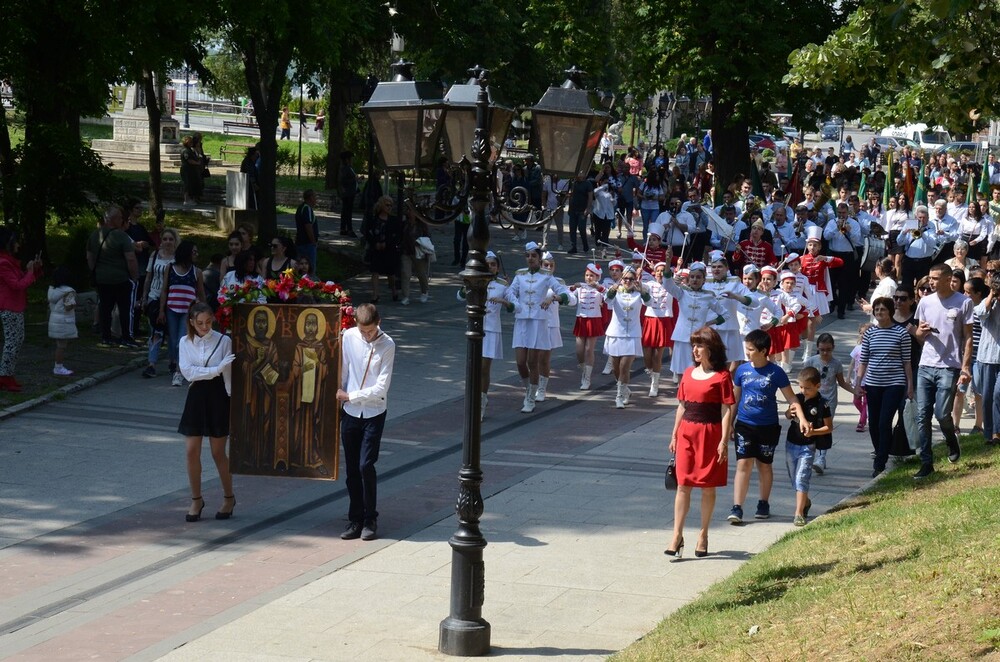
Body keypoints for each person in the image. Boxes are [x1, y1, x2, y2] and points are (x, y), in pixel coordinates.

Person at [666, 326, 735, 559]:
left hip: (710, 434)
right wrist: (674, 434)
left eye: (699, 345)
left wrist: (724, 441)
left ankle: (703, 534)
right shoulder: (687, 373)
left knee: (707, 485)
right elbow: (682, 406)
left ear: (711, 348)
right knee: (682, 484)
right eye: (693, 345)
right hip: (687, 433)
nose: (694, 350)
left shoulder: (722, 376)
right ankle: (677, 535)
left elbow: (727, 409)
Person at [729, 329, 808, 524]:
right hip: (745, 424)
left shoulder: (776, 372)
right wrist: (729, 423)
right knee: (743, 464)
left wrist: (802, 418)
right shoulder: (742, 371)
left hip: (768, 426)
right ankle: (737, 507)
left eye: (751, 349)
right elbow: (735, 399)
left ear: (763, 351)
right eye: (746, 349)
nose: (747, 353)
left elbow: (792, 398)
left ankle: (763, 503)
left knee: (764, 465)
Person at [337, 303, 396, 541]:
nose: (367, 335)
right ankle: (355, 518)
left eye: (370, 331)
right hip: (350, 412)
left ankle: (371, 517)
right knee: (351, 468)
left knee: (365, 465)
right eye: (363, 331)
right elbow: (344, 369)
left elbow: (382, 387)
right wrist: (340, 393)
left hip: (373, 412)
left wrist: (351, 395)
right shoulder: (349, 337)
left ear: (378, 323)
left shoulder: (387, 344)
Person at [177, 301, 236, 522]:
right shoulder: (184, 342)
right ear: (191, 322)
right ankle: (196, 499)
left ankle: (229, 497)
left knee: (217, 452)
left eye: (208, 322)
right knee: (191, 450)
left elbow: (227, 374)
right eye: (199, 323)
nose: (204, 326)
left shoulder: (223, 340)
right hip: (196, 396)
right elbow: (188, 372)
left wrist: (231, 399)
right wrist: (214, 370)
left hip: (218, 397)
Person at [913, 263, 973, 479]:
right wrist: (920, 331)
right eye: (930, 278)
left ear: (949, 279)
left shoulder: (963, 302)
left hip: (950, 366)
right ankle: (926, 463)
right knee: (922, 415)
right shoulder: (926, 302)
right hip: (926, 365)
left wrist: (965, 366)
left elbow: (968, 337)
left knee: (941, 414)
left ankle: (951, 441)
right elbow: (920, 335)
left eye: (936, 278)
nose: (931, 282)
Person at [504, 242, 570, 413]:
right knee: (520, 362)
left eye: (534, 255)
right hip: (521, 321)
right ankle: (529, 389)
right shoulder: (520, 275)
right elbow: (510, 292)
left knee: (533, 362)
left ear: (539, 258)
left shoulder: (547, 276)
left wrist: (554, 297)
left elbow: (564, 291)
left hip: (538, 322)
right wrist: (516, 304)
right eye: (528, 256)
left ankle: (530, 398)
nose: (530, 259)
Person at [857, 297, 914, 477]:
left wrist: (910, 386)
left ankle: (880, 462)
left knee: (884, 422)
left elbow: (906, 362)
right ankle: (881, 450)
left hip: (894, 384)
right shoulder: (870, 333)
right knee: (873, 424)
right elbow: (863, 361)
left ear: (890, 311)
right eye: (877, 310)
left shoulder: (901, 333)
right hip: (873, 384)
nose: (880, 313)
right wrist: (858, 383)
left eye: (883, 309)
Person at [785, 366, 833, 526]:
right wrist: (788, 414)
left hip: (808, 446)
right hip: (791, 443)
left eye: (808, 388)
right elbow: (787, 414)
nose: (804, 391)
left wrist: (814, 433)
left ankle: (798, 513)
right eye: (801, 387)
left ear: (818, 386)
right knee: (793, 477)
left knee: (802, 477)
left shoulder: (822, 404)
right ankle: (805, 501)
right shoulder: (797, 399)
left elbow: (829, 427)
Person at [87, 205, 140, 348]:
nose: (122, 221)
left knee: (105, 308)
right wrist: (134, 276)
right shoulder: (121, 236)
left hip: (102, 279)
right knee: (125, 309)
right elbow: (130, 259)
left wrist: (96, 271)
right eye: (121, 218)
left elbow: (89, 257)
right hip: (121, 279)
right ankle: (126, 337)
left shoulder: (94, 235)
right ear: (116, 219)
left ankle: (106, 337)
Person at [805, 332, 855, 473]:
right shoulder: (811, 362)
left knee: (825, 428)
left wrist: (856, 392)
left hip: (829, 402)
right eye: (822, 350)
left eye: (828, 349)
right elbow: (804, 381)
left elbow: (842, 383)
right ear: (817, 348)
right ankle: (809, 456)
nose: (825, 353)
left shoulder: (836, 364)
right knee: (811, 427)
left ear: (833, 347)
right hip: (813, 401)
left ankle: (821, 458)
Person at [0, 227, 42, 391]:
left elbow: (23, 280)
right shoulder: (3, 263)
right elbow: (17, 285)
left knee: (18, 339)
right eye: (15, 241)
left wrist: (35, 270)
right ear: (8, 243)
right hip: (8, 306)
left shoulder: (8, 261)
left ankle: (7, 374)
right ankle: (4, 376)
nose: (18, 245)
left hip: (15, 305)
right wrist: (31, 271)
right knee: (12, 341)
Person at [160, 241, 206, 387]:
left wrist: (205, 312)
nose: (196, 255)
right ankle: (176, 363)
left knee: (182, 341)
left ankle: (179, 372)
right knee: (173, 341)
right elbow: (164, 290)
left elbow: (201, 293)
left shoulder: (197, 272)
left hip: (188, 312)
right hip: (172, 309)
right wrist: (161, 310)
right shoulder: (170, 268)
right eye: (194, 252)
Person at [605, 265, 650, 408]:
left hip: (632, 334)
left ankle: (618, 396)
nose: (628, 281)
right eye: (625, 279)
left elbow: (650, 302)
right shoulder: (615, 291)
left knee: (625, 366)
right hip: (616, 333)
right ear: (621, 279)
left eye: (631, 279)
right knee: (615, 367)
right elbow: (607, 300)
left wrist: (642, 290)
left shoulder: (639, 293)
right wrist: (612, 290)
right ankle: (625, 389)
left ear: (635, 280)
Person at [140, 227, 178, 378]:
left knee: (171, 333)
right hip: (154, 296)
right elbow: (148, 277)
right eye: (165, 239)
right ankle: (152, 363)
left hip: (172, 298)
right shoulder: (155, 255)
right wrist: (144, 297)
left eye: (170, 239)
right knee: (155, 331)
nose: (167, 242)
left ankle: (172, 361)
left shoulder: (178, 258)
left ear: (175, 241)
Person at [568, 263, 606, 390]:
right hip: (581, 319)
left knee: (589, 349)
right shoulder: (580, 288)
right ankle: (584, 368)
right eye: (587, 275)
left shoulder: (600, 289)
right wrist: (572, 290)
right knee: (579, 350)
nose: (589, 278)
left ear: (597, 277)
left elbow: (609, 297)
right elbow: (571, 301)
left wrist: (599, 288)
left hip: (594, 319)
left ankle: (587, 378)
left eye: (592, 276)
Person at [365, 196, 401, 303]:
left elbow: (396, 236)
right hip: (376, 248)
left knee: (390, 273)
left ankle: (394, 290)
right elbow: (368, 233)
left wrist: (387, 244)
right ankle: (375, 294)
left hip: (389, 249)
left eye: (391, 205)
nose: (389, 207)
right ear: (381, 205)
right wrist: (375, 243)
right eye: (387, 205)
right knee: (375, 271)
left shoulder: (393, 220)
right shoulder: (373, 219)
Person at [48, 266, 78, 376]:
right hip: (64, 322)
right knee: (61, 346)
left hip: (54, 319)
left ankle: (58, 366)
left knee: (59, 345)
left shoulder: (52, 290)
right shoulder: (69, 291)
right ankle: (58, 367)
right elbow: (68, 306)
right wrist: (74, 304)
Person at [398, 212, 431, 306]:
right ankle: (406, 296)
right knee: (405, 273)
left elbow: (428, 238)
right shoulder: (405, 224)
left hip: (419, 252)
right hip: (406, 251)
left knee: (421, 274)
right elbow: (400, 236)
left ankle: (424, 292)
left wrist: (427, 251)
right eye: (409, 210)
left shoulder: (422, 225)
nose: (411, 213)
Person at [295, 190, 319, 274]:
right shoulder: (307, 208)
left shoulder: (301, 207)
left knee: (301, 268)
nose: (316, 199)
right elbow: (308, 226)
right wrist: (313, 241)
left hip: (301, 242)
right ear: (310, 198)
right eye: (315, 197)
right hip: (307, 244)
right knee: (309, 268)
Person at [180, 134, 208, 205]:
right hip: (187, 170)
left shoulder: (190, 150)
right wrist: (197, 163)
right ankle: (186, 200)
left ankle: (192, 199)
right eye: (190, 142)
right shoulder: (186, 151)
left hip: (191, 170)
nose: (192, 144)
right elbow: (189, 160)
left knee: (191, 184)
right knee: (187, 184)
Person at [339, 152, 358, 237]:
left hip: (350, 192)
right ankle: (349, 229)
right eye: (351, 158)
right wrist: (354, 179)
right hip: (348, 193)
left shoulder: (349, 168)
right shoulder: (346, 169)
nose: (352, 160)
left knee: (346, 211)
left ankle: (343, 228)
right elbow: (343, 181)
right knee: (348, 211)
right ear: (347, 160)